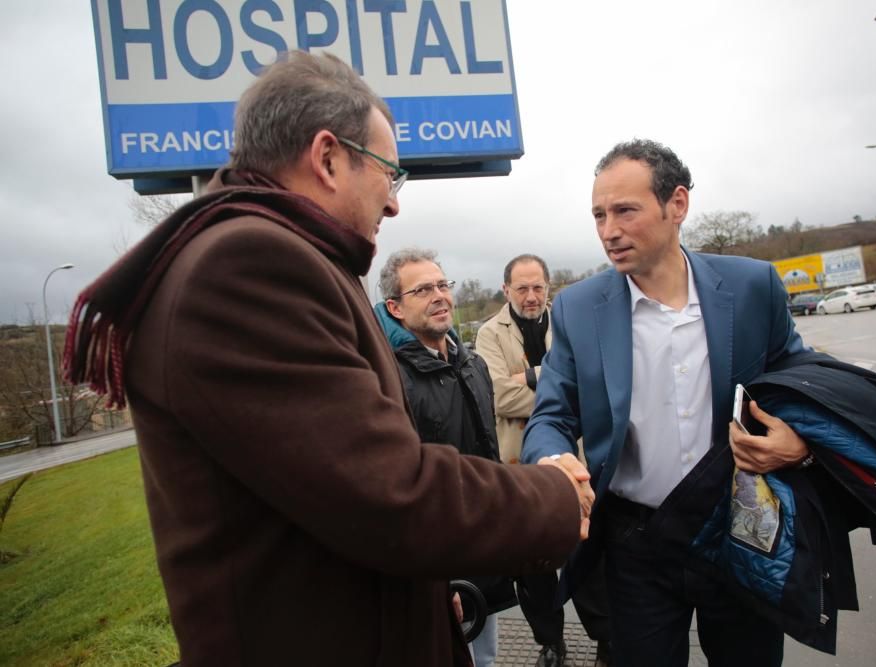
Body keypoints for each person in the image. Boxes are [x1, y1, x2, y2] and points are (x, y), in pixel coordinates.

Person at [63, 51, 593, 666]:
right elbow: (388, 494)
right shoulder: (248, 269)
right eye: (389, 175)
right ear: (327, 157)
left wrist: (420, 599)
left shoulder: (274, 253)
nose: (394, 204)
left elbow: (326, 496)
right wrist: (553, 495)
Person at [521, 139, 812, 667]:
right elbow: (551, 415)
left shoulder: (751, 287)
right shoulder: (578, 310)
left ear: (676, 204)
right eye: (598, 215)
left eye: (625, 211)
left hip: (741, 528)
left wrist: (798, 439)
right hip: (637, 543)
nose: (609, 230)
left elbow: (803, 384)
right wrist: (552, 460)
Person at [374, 248, 517, 666]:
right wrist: (434, 582)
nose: (439, 296)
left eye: (442, 285)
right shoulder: (389, 378)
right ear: (395, 308)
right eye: (422, 290)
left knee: (484, 657)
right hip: (434, 564)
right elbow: (399, 489)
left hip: (482, 548)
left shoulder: (472, 365)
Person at [476, 255, 612, 667]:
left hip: (575, 464)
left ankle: (606, 640)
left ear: (549, 287)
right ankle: (550, 641)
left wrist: (529, 378)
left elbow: (595, 385)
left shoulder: (572, 322)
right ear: (506, 290)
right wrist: (558, 388)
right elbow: (497, 395)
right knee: (532, 569)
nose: (531, 297)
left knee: (586, 559)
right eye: (522, 288)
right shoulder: (488, 333)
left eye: (538, 287)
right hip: (520, 467)